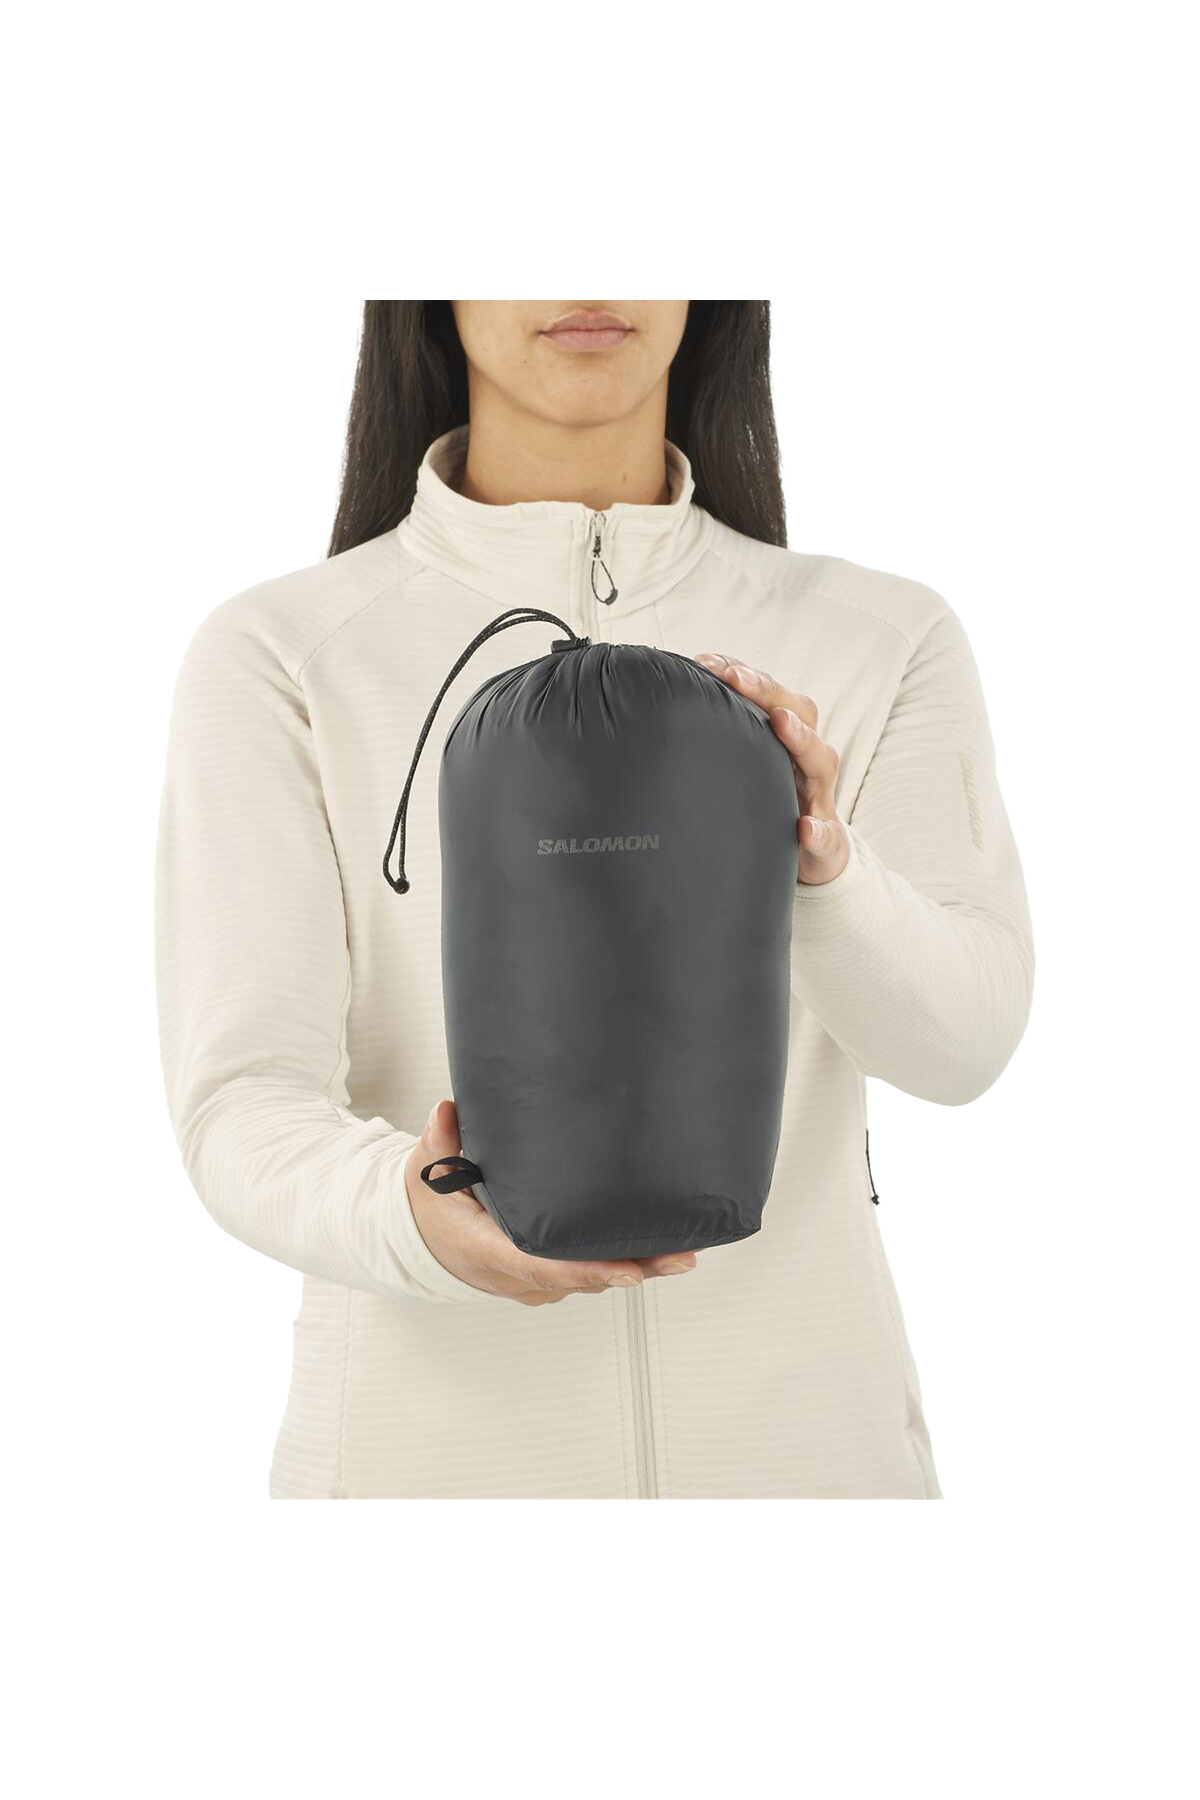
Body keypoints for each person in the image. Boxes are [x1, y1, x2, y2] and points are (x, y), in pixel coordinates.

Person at [155, 301, 1034, 1498]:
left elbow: (963, 1045)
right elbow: (242, 1101)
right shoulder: (286, 651)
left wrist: (821, 862)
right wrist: (412, 1218)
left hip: (814, 1476)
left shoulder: (880, 635)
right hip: (422, 1491)